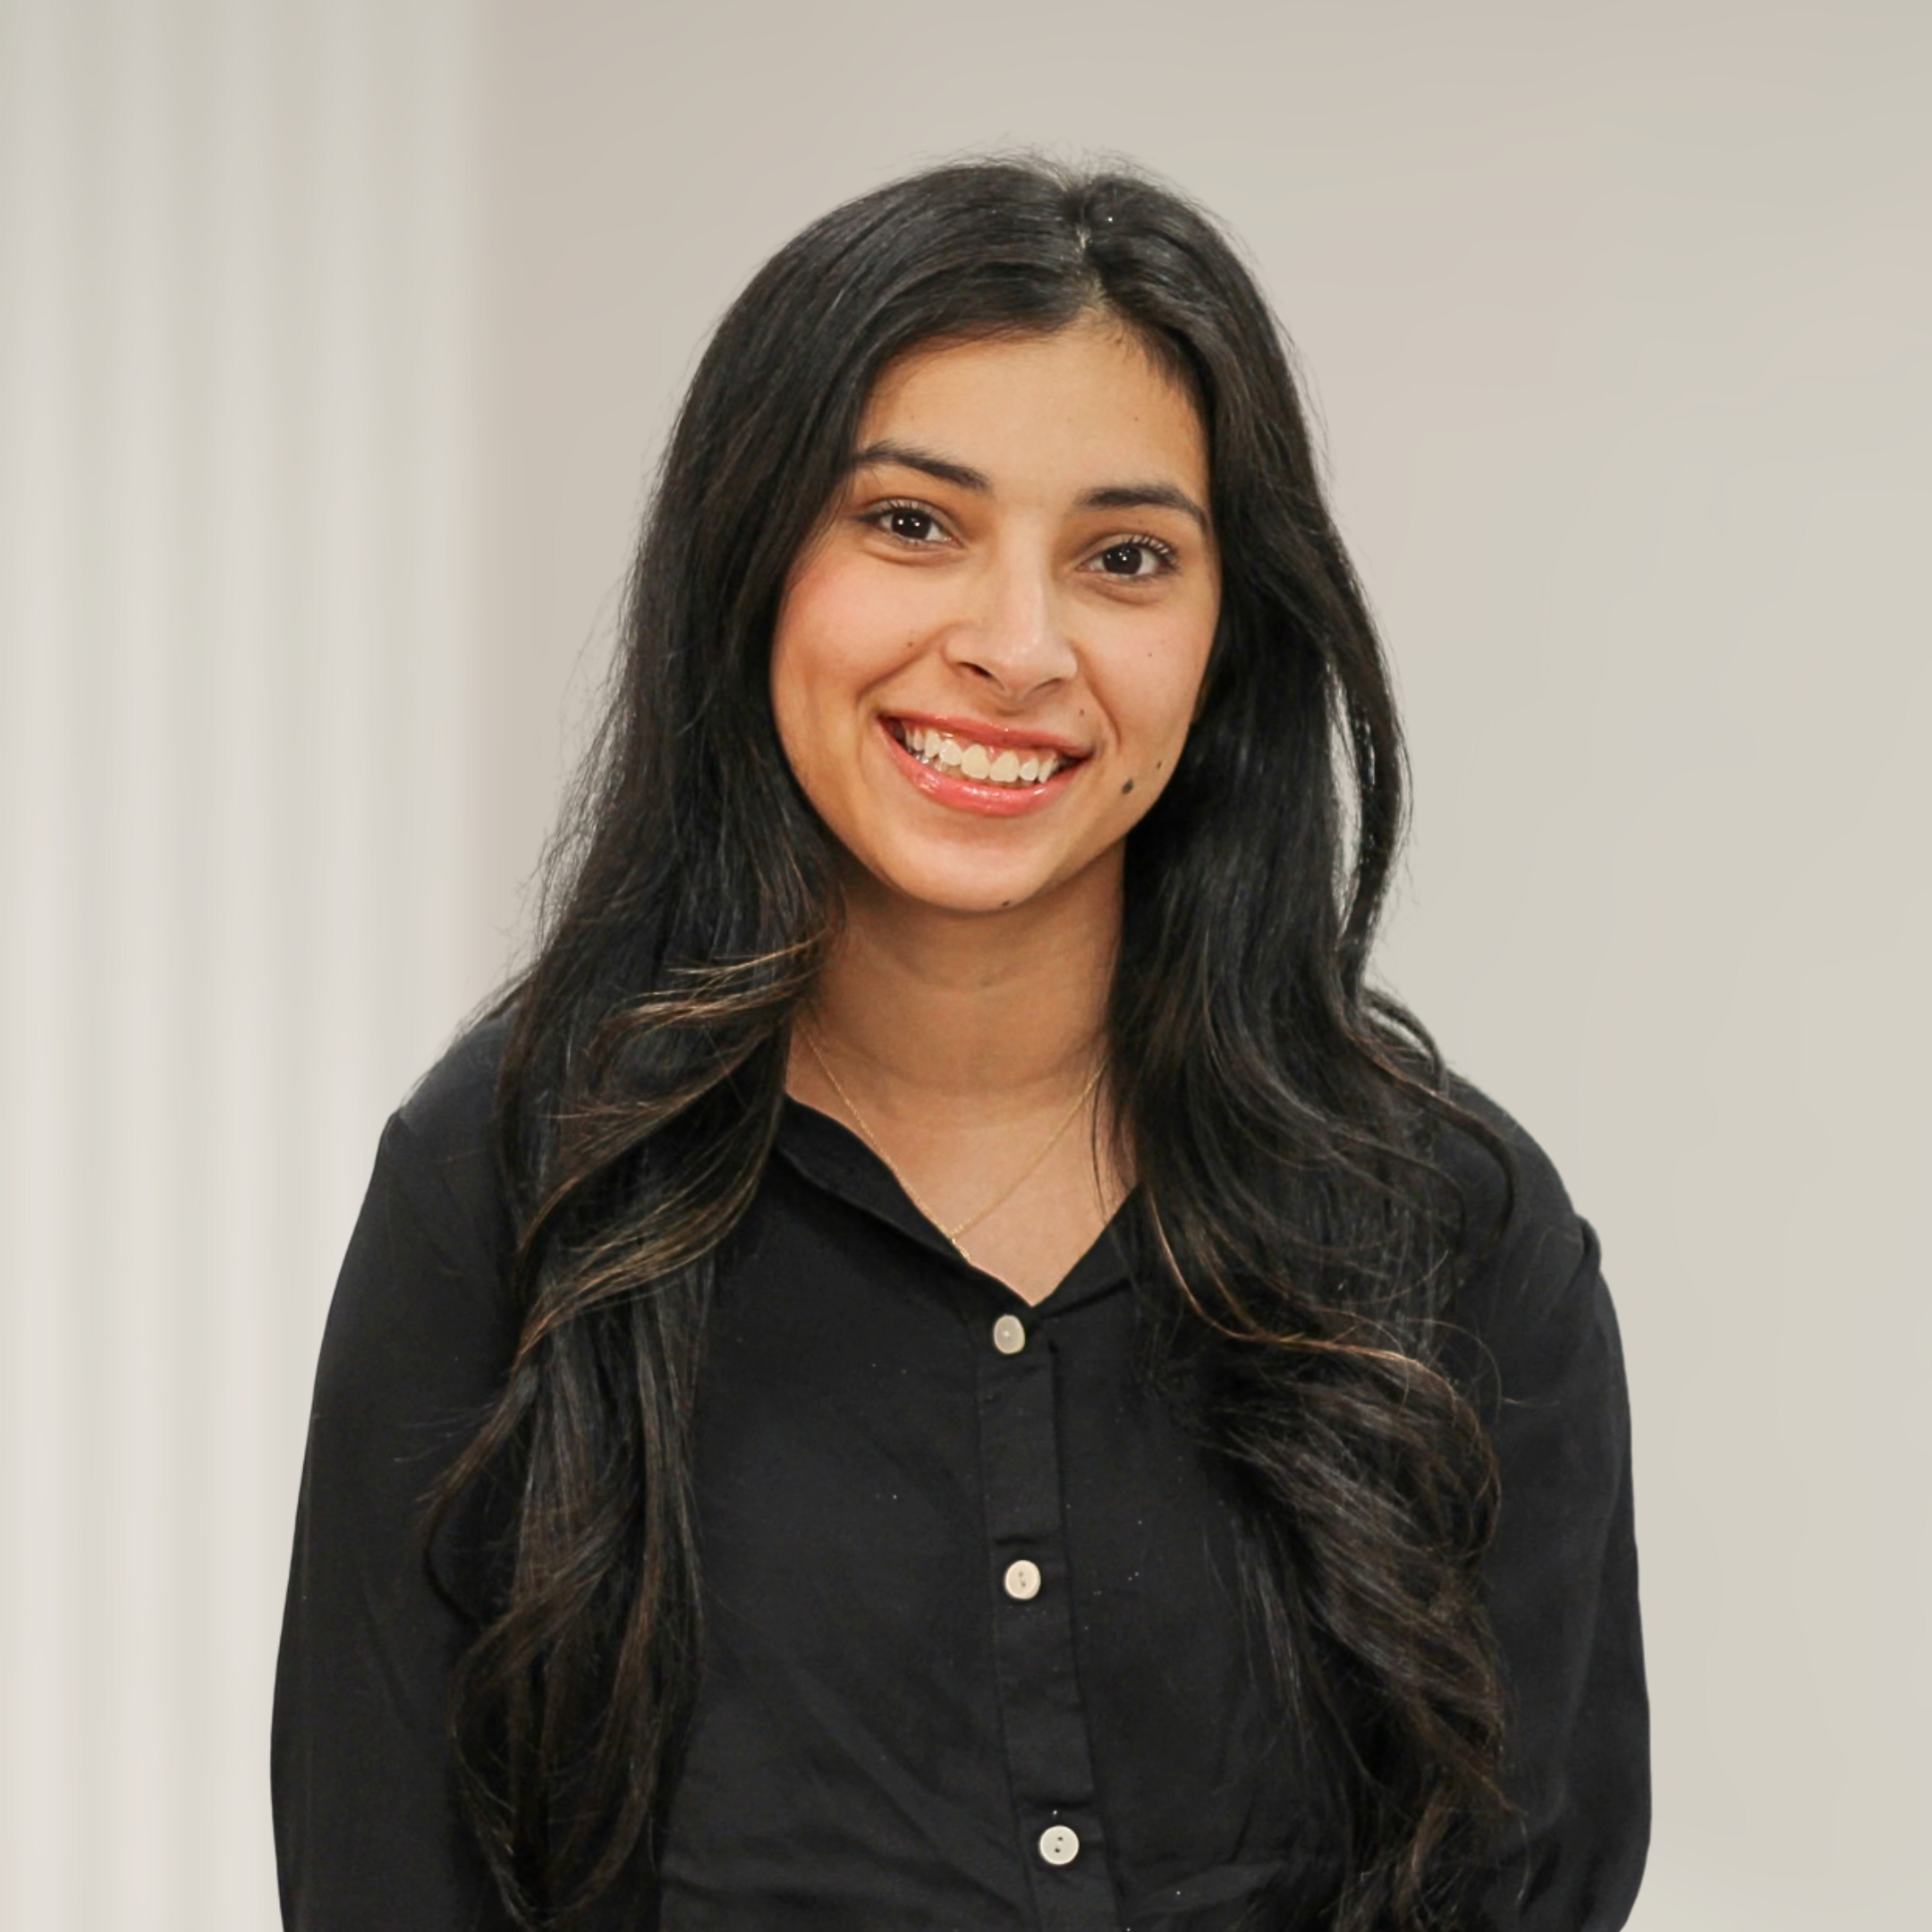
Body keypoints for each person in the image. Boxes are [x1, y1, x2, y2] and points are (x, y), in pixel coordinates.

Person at [271, 157, 1648, 1932]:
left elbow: (1539, 1880)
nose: (1017, 647)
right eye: (913, 523)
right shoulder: (507, 1191)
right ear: (754, 558)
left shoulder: (1455, 1233)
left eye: (1126, 557)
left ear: (1229, 634)